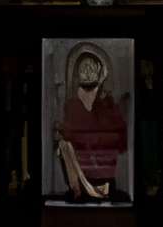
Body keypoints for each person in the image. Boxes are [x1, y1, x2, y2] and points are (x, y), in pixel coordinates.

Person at [52, 43, 130, 203]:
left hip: (102, 166)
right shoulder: (73, 105)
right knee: (64, 145)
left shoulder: (106, 103)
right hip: (82, 162)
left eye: (91, 68)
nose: (87, 71)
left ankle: (95, 189)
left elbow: (118, 135)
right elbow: (75, 130)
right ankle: (78, 190)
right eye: (84, 68)